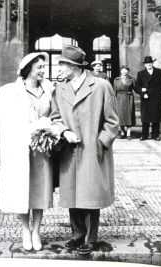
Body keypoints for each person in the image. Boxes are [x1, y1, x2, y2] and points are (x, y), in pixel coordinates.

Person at [50, 45, 119, 255]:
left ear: (73, 66)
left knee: (90, 193)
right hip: (69, 151)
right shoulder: (60, 89)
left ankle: (91, 237)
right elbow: (55, 117)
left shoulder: (101, 86)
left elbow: (112, 122)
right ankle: (77, 234)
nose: (59, 68)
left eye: (62, 64)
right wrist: (63, 131)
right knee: (72, 193)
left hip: (92, 150)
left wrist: (100, 144)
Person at [0, 52, 55, 251]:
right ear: (28, 70)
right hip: (17, 150)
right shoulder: (7, 91)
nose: (44, 70)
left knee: (40, 191)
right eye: (40, 67)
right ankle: (26, 230)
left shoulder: (49, 88)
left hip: (41, 150)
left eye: (44, 66)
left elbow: (55, 114)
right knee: (21, 191)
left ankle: (37, 231)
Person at [136, 56, 161, 141]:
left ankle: (155, 135)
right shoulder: (140, 73)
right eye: (147, 63)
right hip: (146, 98)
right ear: (145, 65)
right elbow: (137, 87)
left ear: (152, 63)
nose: (148, 64)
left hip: (156, 98)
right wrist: (142, 92)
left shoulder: (159, 72)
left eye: (150, 63)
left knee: (156, 118)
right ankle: (144, 135)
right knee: (145, 118)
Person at [113, 65, 136, 140]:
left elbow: (136, 88)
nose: (124, 72)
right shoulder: (116, 80)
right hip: (119, 98)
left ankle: (129, 133)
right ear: (121, 71)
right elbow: (114, 91)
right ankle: (122, 133)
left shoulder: (132, 79)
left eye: (126, 70)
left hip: (129, 98)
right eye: (123, 70)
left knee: (129, 115)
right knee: (121, 115)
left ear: (128, 71)